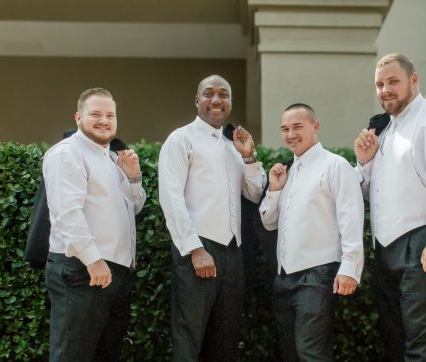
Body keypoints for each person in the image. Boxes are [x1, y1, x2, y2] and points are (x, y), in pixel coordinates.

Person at [354, 53, 426, 361]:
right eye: (379, 84)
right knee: (396, 343)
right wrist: (365, 165)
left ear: (414, 81)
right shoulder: (384, 132)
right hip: (387, 250)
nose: (385, 90)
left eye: (393, 81)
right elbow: (375, 195)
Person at [158, 75, 265, 361]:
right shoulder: (181, 139)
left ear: (230, 103)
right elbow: (171, 197)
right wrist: (195, 249)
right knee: (189, 336)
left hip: (233, 253)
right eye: (209, 93)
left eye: (224, 95)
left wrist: (250, 157)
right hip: (198, 248)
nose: (216, 100)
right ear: (197, 100)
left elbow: (254, 194)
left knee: (226, 337)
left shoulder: (235, 146)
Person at [43, 87, 146, 361]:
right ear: (79, 117)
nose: (104, 120)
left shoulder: (113, 158)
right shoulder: (67, 154)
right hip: (83, 271)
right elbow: (67, 214)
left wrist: (133, 178)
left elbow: (133, 208)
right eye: (96, 114)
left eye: (110, 115)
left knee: (105, 355)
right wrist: (93, 260)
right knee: (72, 355)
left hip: (114, 275)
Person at [259, 103, 364, 362]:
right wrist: (274, 190)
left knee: (311, 353)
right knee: (290, 353)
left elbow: (351, 219)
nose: (290, 134)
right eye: (285, 129)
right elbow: (269, 222)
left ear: (315, 127)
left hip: (318, 274)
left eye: (297, 127)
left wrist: (351, 267)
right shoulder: (286, 171)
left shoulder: (336, 166)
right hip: (284, 278)